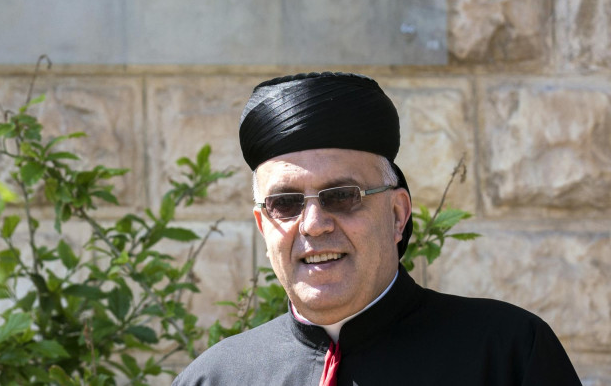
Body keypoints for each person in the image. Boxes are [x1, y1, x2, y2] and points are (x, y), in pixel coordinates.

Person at [172, 72, 580, 386]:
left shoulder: (506, 354)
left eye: (343, 195)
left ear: (397, 215)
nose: (313, 225)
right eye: (286, 203)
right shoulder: (216, 376)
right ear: (263, 227)